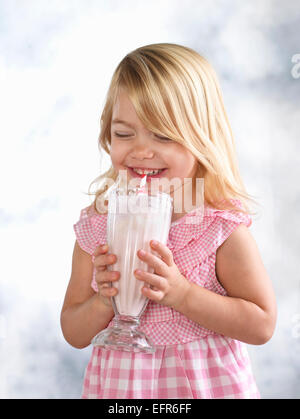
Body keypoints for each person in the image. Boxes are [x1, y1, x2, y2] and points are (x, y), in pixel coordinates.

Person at [60, 43, 277, 399]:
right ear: (106, 135)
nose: (141, 151)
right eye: (124, 134)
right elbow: (73, 330)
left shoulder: (218, 230)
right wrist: (103, 301)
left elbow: (262, 324)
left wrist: (183, 294)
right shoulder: (100, 227)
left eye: (163, 135)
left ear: (202, 139)